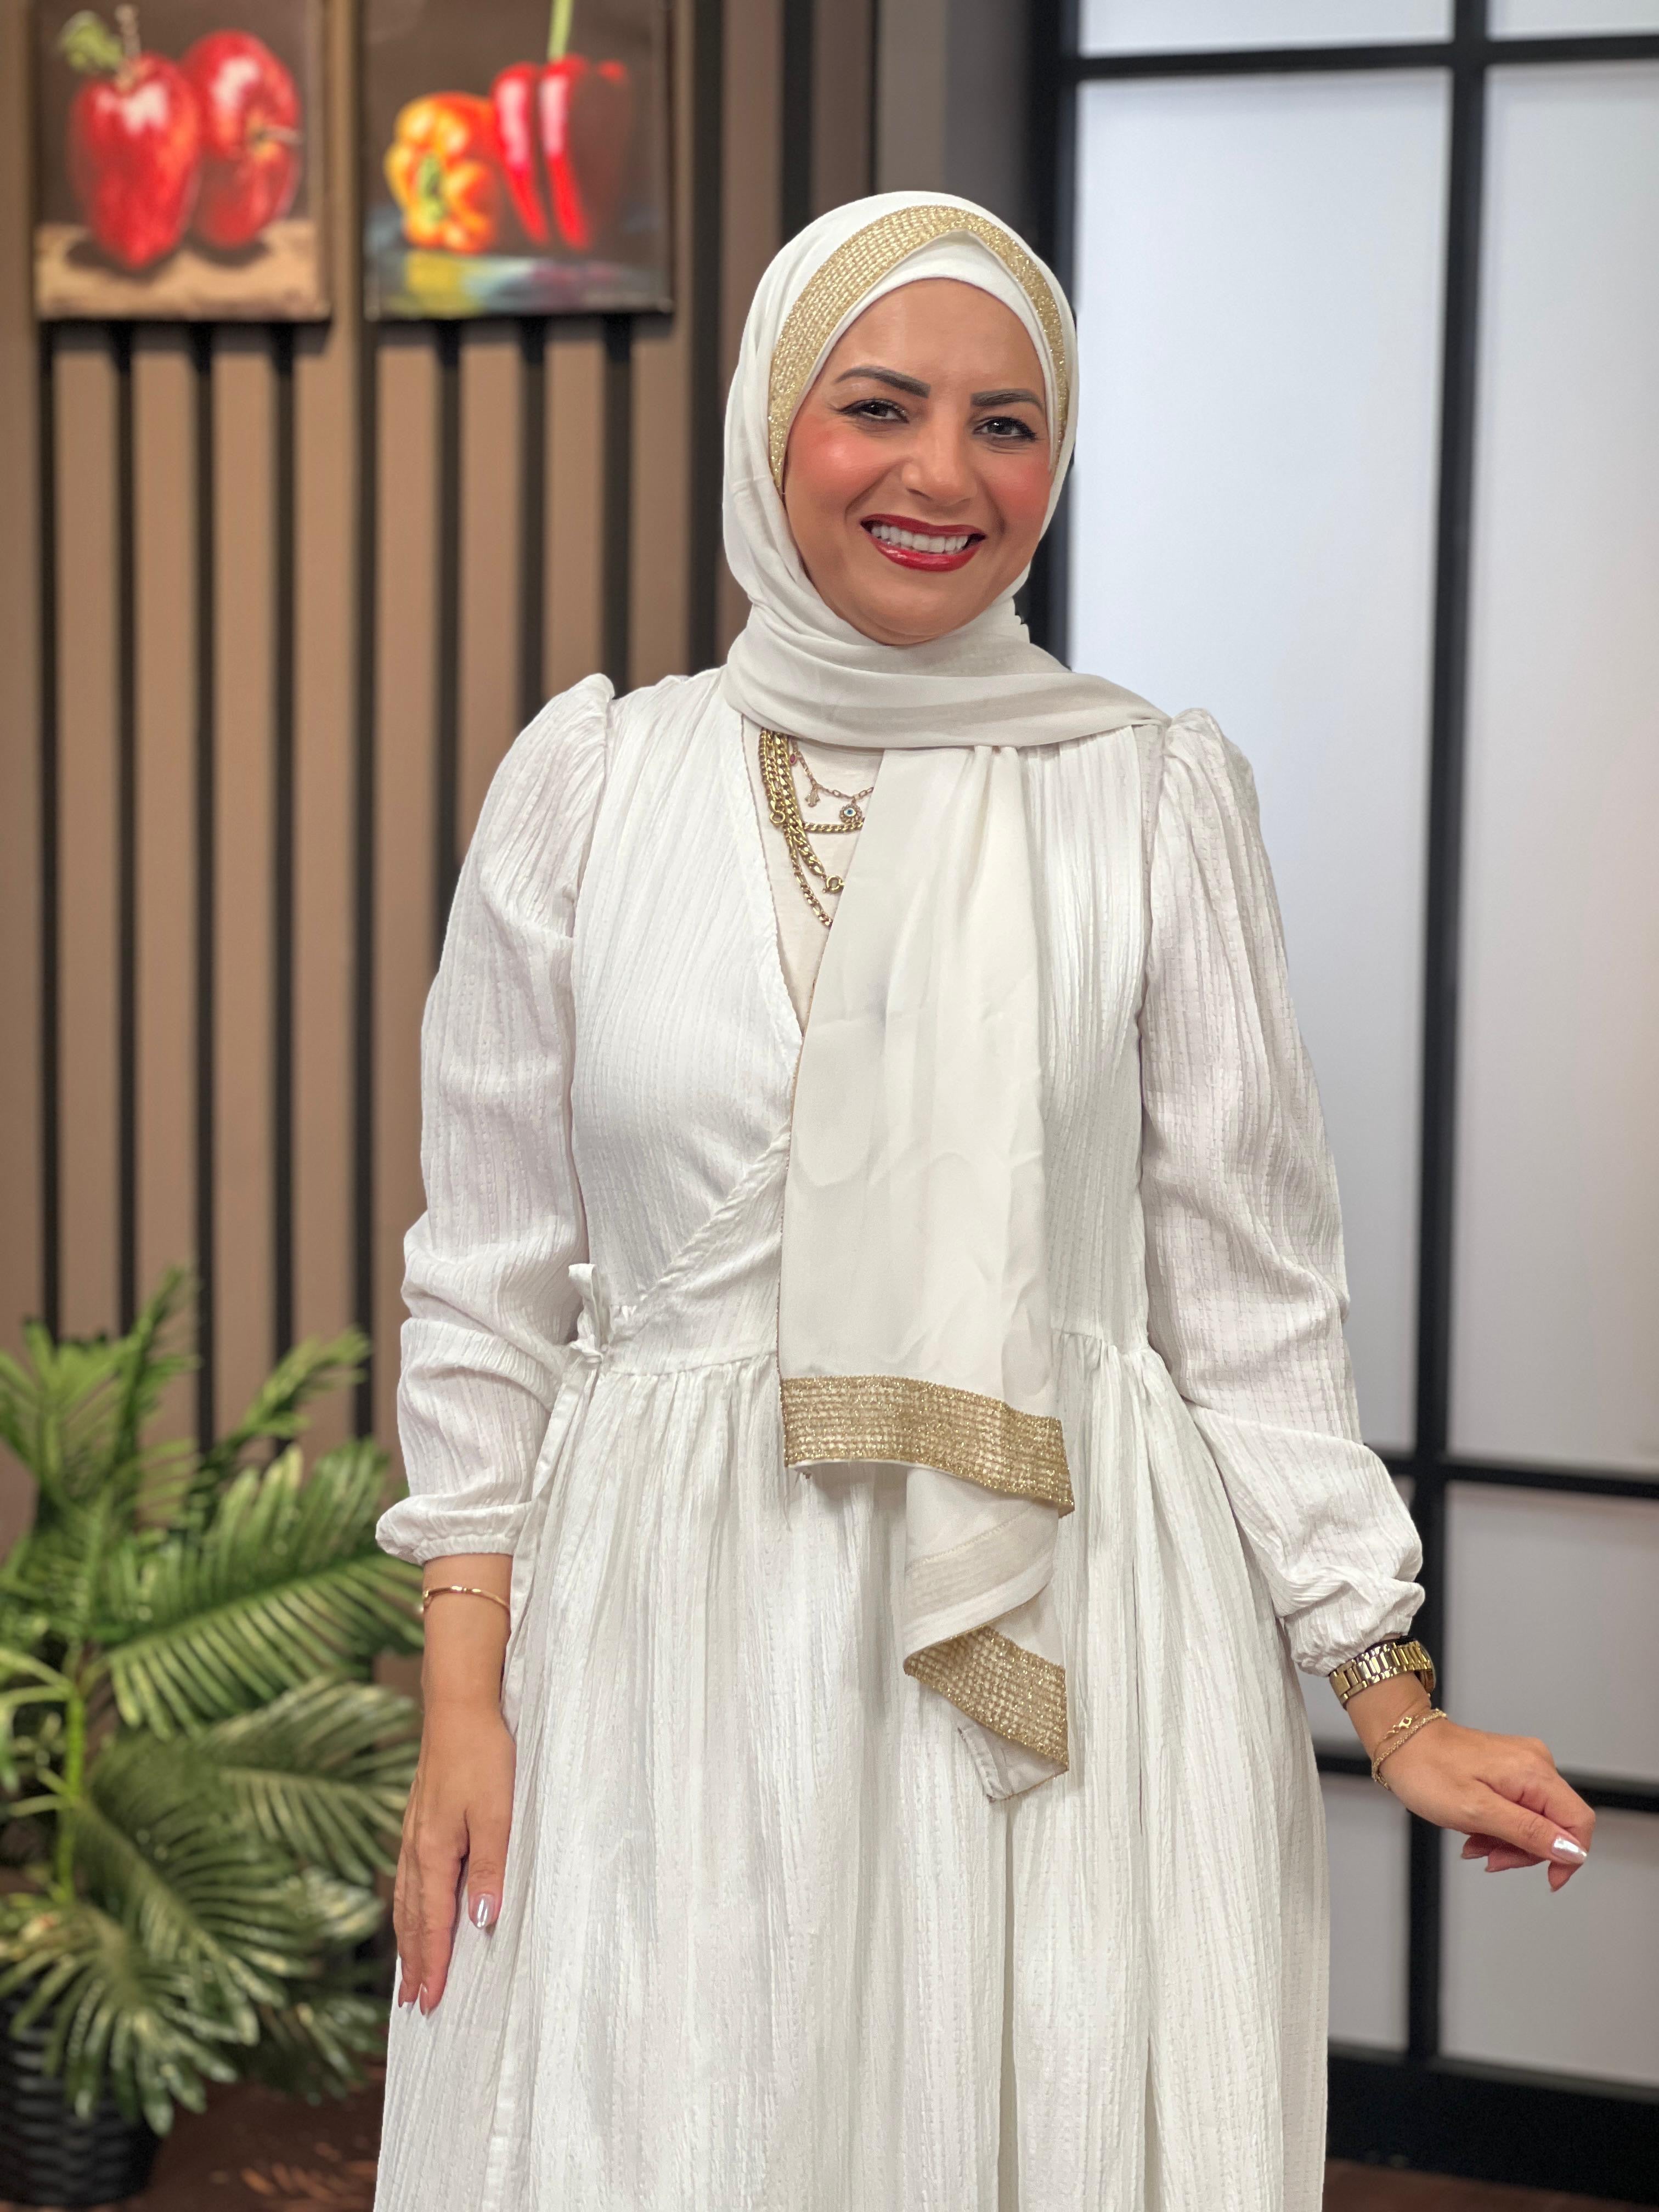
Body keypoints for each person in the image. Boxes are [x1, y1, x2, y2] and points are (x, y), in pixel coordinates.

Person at [373, 191, 1593, 2211]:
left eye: (1007, 423)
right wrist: (463, 1704)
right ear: (774, 421)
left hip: (1074, 1628)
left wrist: (1391, 1705)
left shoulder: (1151, 795)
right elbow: (486, 1284)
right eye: (880, 405)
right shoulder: (593, 786)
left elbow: (1251, 1299)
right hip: (671, 1638)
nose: (944, 473)